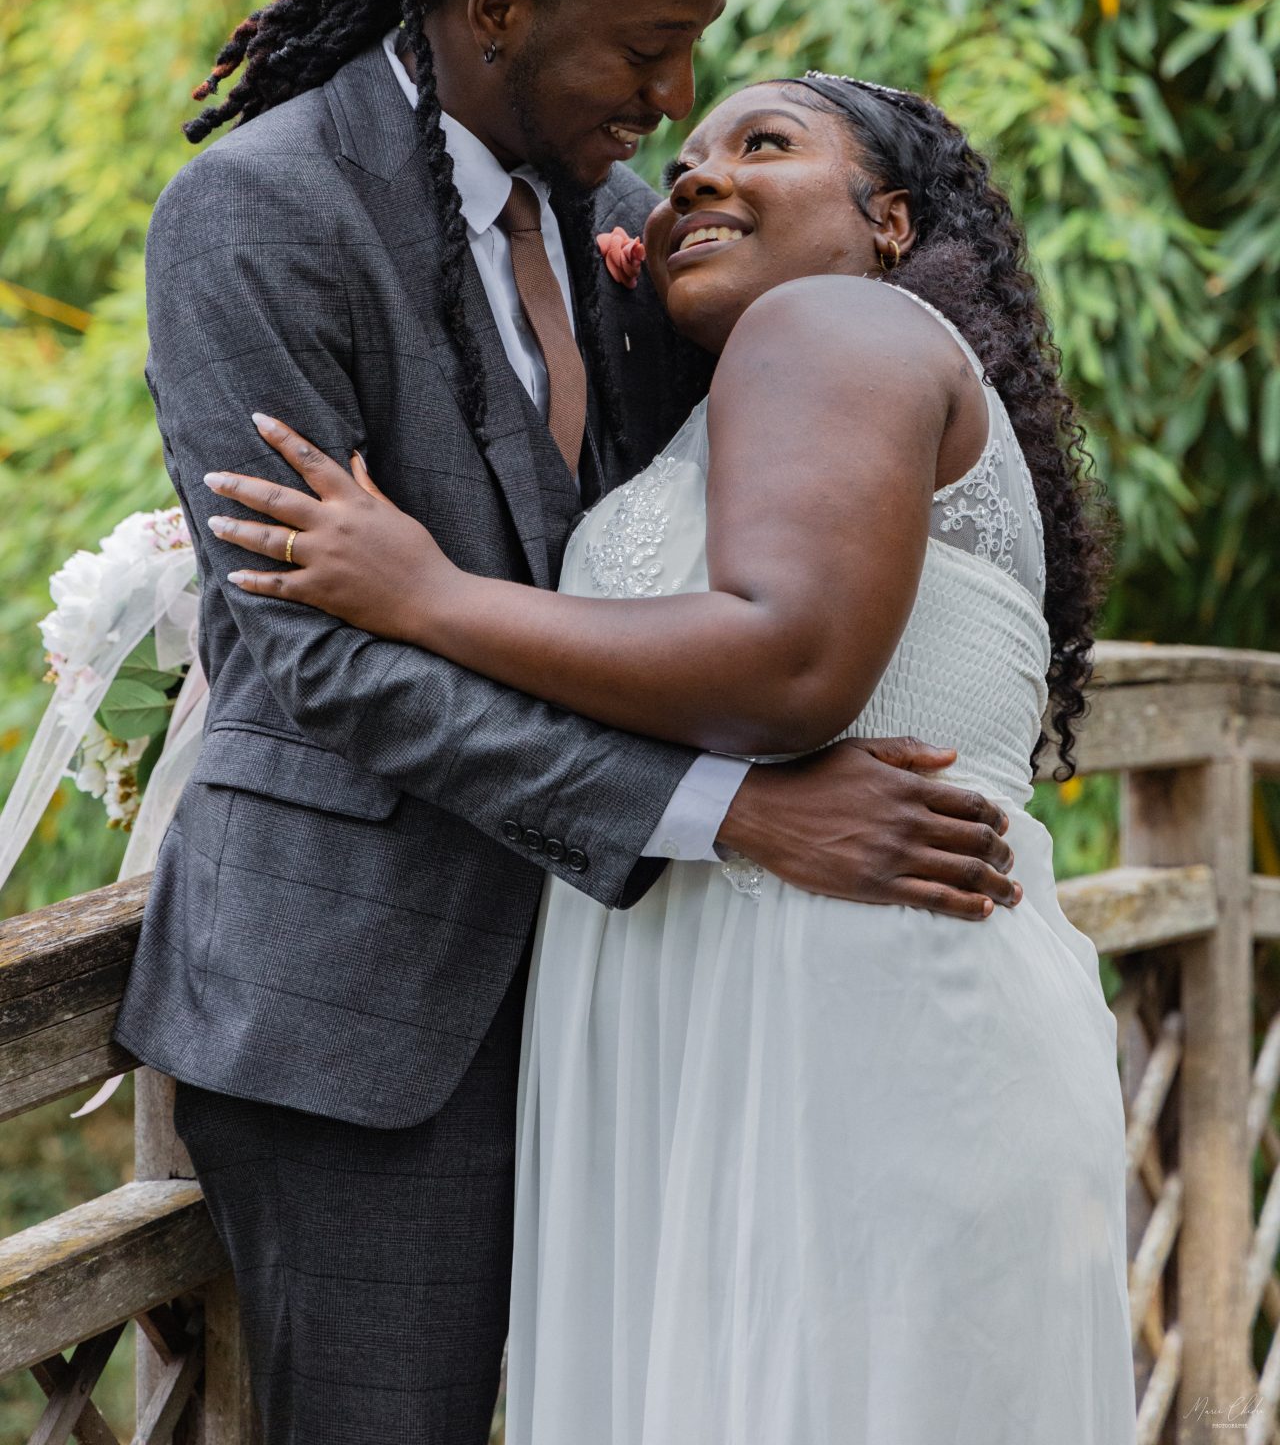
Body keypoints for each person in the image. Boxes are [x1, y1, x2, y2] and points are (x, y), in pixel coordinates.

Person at [114, 0, 1023, 1445]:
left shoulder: (623, 228)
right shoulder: (260, 214)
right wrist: (730, 814)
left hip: (628, 1001)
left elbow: (743, 535)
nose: (675, 100)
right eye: (647, 49)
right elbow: (321, 664)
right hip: (364, 1013)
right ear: (499, 8)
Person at [211, 71, 1136, 1443]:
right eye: (689, 163)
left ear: (890, 222)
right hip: (765, 1027)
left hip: (840, 1041)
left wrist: (419, 594)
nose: (696, 175)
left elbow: (785, 666)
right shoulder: (771, 392)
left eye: (765, 145)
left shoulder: (835, 329)